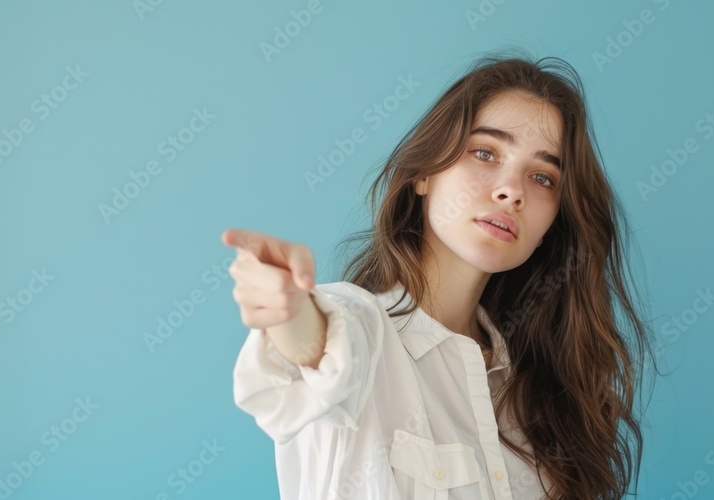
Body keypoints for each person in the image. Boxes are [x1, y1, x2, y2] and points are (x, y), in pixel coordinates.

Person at [224, 51, 656, 500]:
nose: (511, 191)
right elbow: (321, 347)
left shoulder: (541, 397)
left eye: (543, 177)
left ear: (553, 223)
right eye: (486, 152)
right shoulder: (365, 331)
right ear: (424, 174)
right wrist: (290, 309)